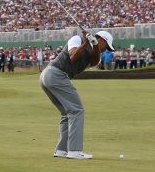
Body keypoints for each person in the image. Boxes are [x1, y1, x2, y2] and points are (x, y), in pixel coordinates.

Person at [40, 30, 115, 160]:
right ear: (102, 39)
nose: (105, 50)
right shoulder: (77, 39)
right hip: (56, 74)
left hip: (50, 77)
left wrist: (95, 45)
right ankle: (74, 150)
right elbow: (72, 57)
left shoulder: (95, 54)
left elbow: (95, 61)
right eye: (106, 46)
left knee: (67, 113)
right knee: (77, 110)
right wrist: (86, 42)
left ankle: (61, 150)